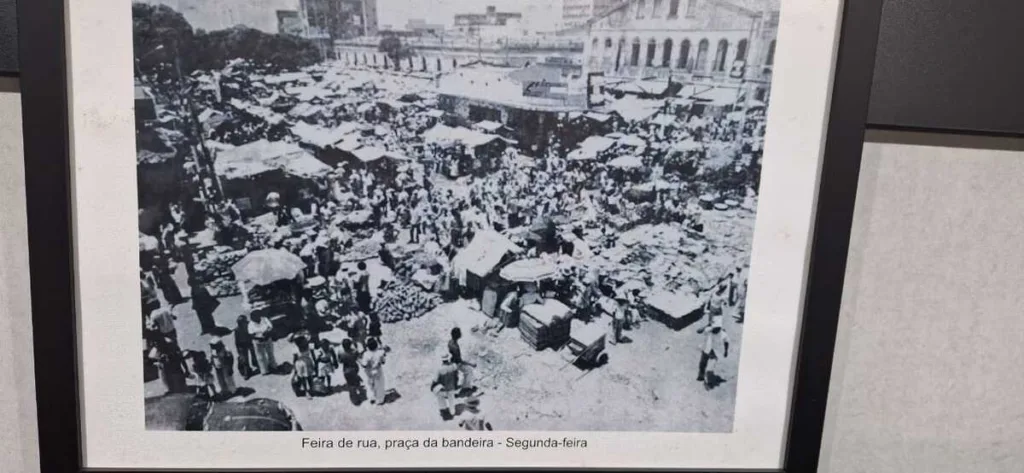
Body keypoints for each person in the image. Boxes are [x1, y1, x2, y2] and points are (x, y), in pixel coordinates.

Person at [696, 317, 731, 389]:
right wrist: (707, 325)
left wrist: (726, 351)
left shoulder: (723, 334)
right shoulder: (709, 330)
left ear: (719, 328)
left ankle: (708, 379)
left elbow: (726, 342)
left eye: (716, 328)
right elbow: (698, 331)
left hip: (714, 351)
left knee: (711, 365)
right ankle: (701, 375)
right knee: (703, 363)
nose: (714, 329)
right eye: (713, 327)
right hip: (705, 348)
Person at [431, 352, 459, 421]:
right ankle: (452, 412)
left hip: (443, 389)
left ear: (442, 360)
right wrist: (456, 386)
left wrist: (432, 387)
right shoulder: (454, 366)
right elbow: (456, 377)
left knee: (439, 396)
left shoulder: (439, 369)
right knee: (451, 400)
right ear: (448, 359)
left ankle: (444, 410)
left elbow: (435, 380)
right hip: (452, 388)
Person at [448, 327, 476, 395]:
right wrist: (471, 364)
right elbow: (460, 361)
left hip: (452, 361)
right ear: (458, 335)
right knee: (469, 371)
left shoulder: (450, 342)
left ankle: (460, 386)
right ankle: (465, 388)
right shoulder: (455, 347)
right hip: (456, 363)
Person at [359, 337, 387, 405]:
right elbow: (383, 362)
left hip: (368, 372)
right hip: (378, 371)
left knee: (369, 385)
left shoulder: (366, 354)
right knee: (379, 385)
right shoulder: (381, 352)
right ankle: (380, 400)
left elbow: (364, 365)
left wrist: (359, 360)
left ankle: (371, 398)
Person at [337, 338, 364, 404]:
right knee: (354, 384)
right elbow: (359, 357)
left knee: (350, 384)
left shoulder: (340, 352)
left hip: (346, 369)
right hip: (354, 368)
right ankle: (355, 400)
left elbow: (340, 361)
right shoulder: (354, 351)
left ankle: (353, 398)